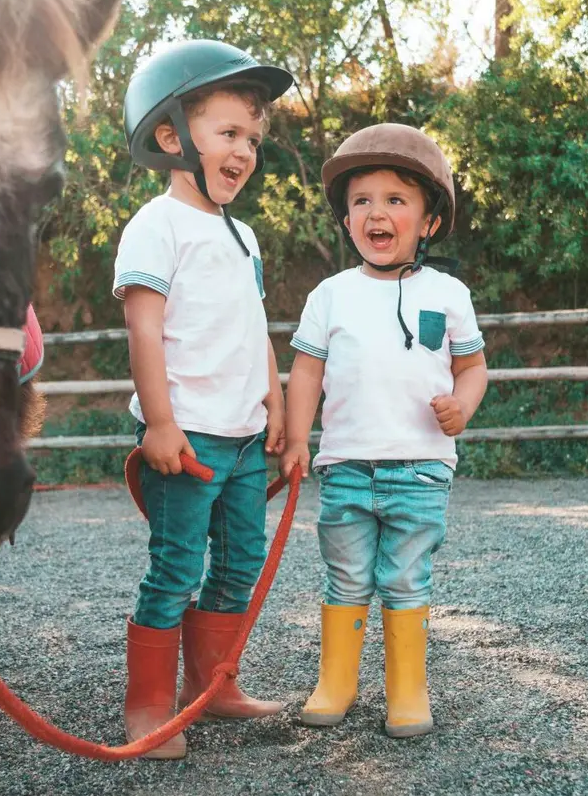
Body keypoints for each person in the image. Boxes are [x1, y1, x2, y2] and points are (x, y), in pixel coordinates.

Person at [114, 40, 294, 759]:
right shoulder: (155, 226)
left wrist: (277, 404)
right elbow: (144, 330)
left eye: (252, 139)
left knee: (240, 562)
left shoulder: (243, 235)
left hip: (245, 438)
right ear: (171, 137)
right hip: (186, 437)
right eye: (229, 133)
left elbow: (254, 327)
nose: (244, 151)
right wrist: (159, 423)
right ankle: (147, 707)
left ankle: (212, 686)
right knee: (175, 568)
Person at [280, 123, 488, 738]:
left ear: (429, 221)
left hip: (421, 468)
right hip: (345, 465)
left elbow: (473, 367)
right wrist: (296, 439)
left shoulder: (448, 293)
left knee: (404, 579)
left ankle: (407, 690)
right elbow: (306, 373)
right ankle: (337, 682)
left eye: (396, 200)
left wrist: (463, 404)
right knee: (345, 576)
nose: (377, 212)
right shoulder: (330, 295)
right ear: (346, 220)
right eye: (362, 201)